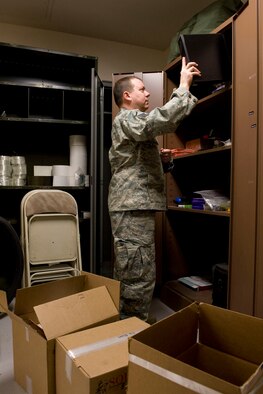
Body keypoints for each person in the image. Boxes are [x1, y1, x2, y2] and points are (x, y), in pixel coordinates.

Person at [108, 57, 201, 321]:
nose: (147, 93)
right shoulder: (127, 118)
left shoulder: (129, 123)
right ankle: (130, 330)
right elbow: (159, 122)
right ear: (127, 96)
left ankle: (131, 325)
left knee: (136, 268)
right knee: (136, 272)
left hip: (135, 206)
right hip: (131, 208)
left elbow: (134, 159)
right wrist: (183, 86)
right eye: (142, 89)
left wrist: (159, 160)